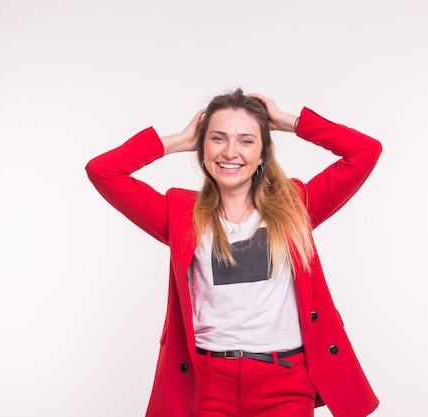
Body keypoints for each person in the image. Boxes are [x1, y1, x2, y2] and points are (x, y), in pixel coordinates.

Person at [86, 89, 382, 417]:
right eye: (217, 138)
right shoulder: (179, 214)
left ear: (262, 153)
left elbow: (365, 152)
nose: (231, 151)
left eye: (246, 141)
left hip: (284, 382)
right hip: (208, 385)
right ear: (203, 147)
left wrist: (291, 122)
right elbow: (103, 171)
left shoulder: (296, 206)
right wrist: (178, 140)